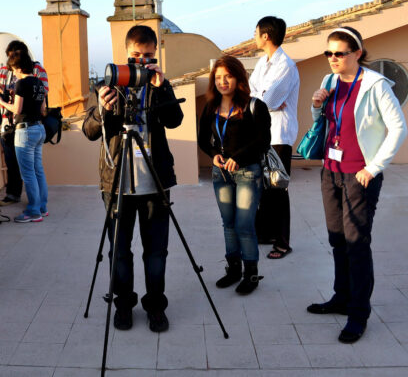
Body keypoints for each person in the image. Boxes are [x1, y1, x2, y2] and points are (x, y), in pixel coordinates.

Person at [306, 26, 407, 343]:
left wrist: (374, 167)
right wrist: (316, 104)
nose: (332, 59)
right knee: (337, 239)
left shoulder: (376, 85)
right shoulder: (330, 81)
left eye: (339, 53)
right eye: (328, 53)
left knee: (356, 243)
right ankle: (341, 297)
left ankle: (358, 313)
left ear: (358, 53)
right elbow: (321, 119)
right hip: (331, 170)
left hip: (359, 175)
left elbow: (398, 128)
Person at [82, 25, 183, 333]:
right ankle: (123, 304)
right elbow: (89, 132)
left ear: (156, 56)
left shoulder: (158, 85)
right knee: (120, 252)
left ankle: (155, 306)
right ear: (125, 55)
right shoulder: (109, 83)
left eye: (148, 56)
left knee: (156, 252)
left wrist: (162, 86)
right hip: (117, 184)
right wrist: (102, 109)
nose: (141, 62)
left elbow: (174, 120)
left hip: (155, 183)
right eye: (136, 56)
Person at [198, 55, 271, 294]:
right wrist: (214, 155)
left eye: (227, 76)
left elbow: (263, 141)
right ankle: (233, 270)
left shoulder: (254, 106)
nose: (222, 82)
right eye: (218, 77)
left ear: (238, 77)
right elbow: (202, 140)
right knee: (228, 224)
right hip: (221, 175)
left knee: (244, 225)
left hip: (247, 173)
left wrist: (237, 158)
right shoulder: (211, 107)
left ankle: (251, 275)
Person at [249, 16, 300, 259]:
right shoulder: (263, 63)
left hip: (279, 135)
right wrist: (263, 97)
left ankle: (282, 242)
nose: (254, 36)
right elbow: (254, 95)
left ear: (266, 35)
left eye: (256, 32)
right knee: (265, 187)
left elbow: (267, 101)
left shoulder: (286, 66)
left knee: (278, 188)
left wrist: (264, 98)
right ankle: (265, 233)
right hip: (263, 134)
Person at [0, 41, 49, 206]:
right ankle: (39, 204)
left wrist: (3, 99)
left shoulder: (30, 76)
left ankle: (34, 208)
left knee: (28, 172)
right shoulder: (29, 78)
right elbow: (43, 104)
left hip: (24, 126)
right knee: (24, 166)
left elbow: (18, 108)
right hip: (25, 126)